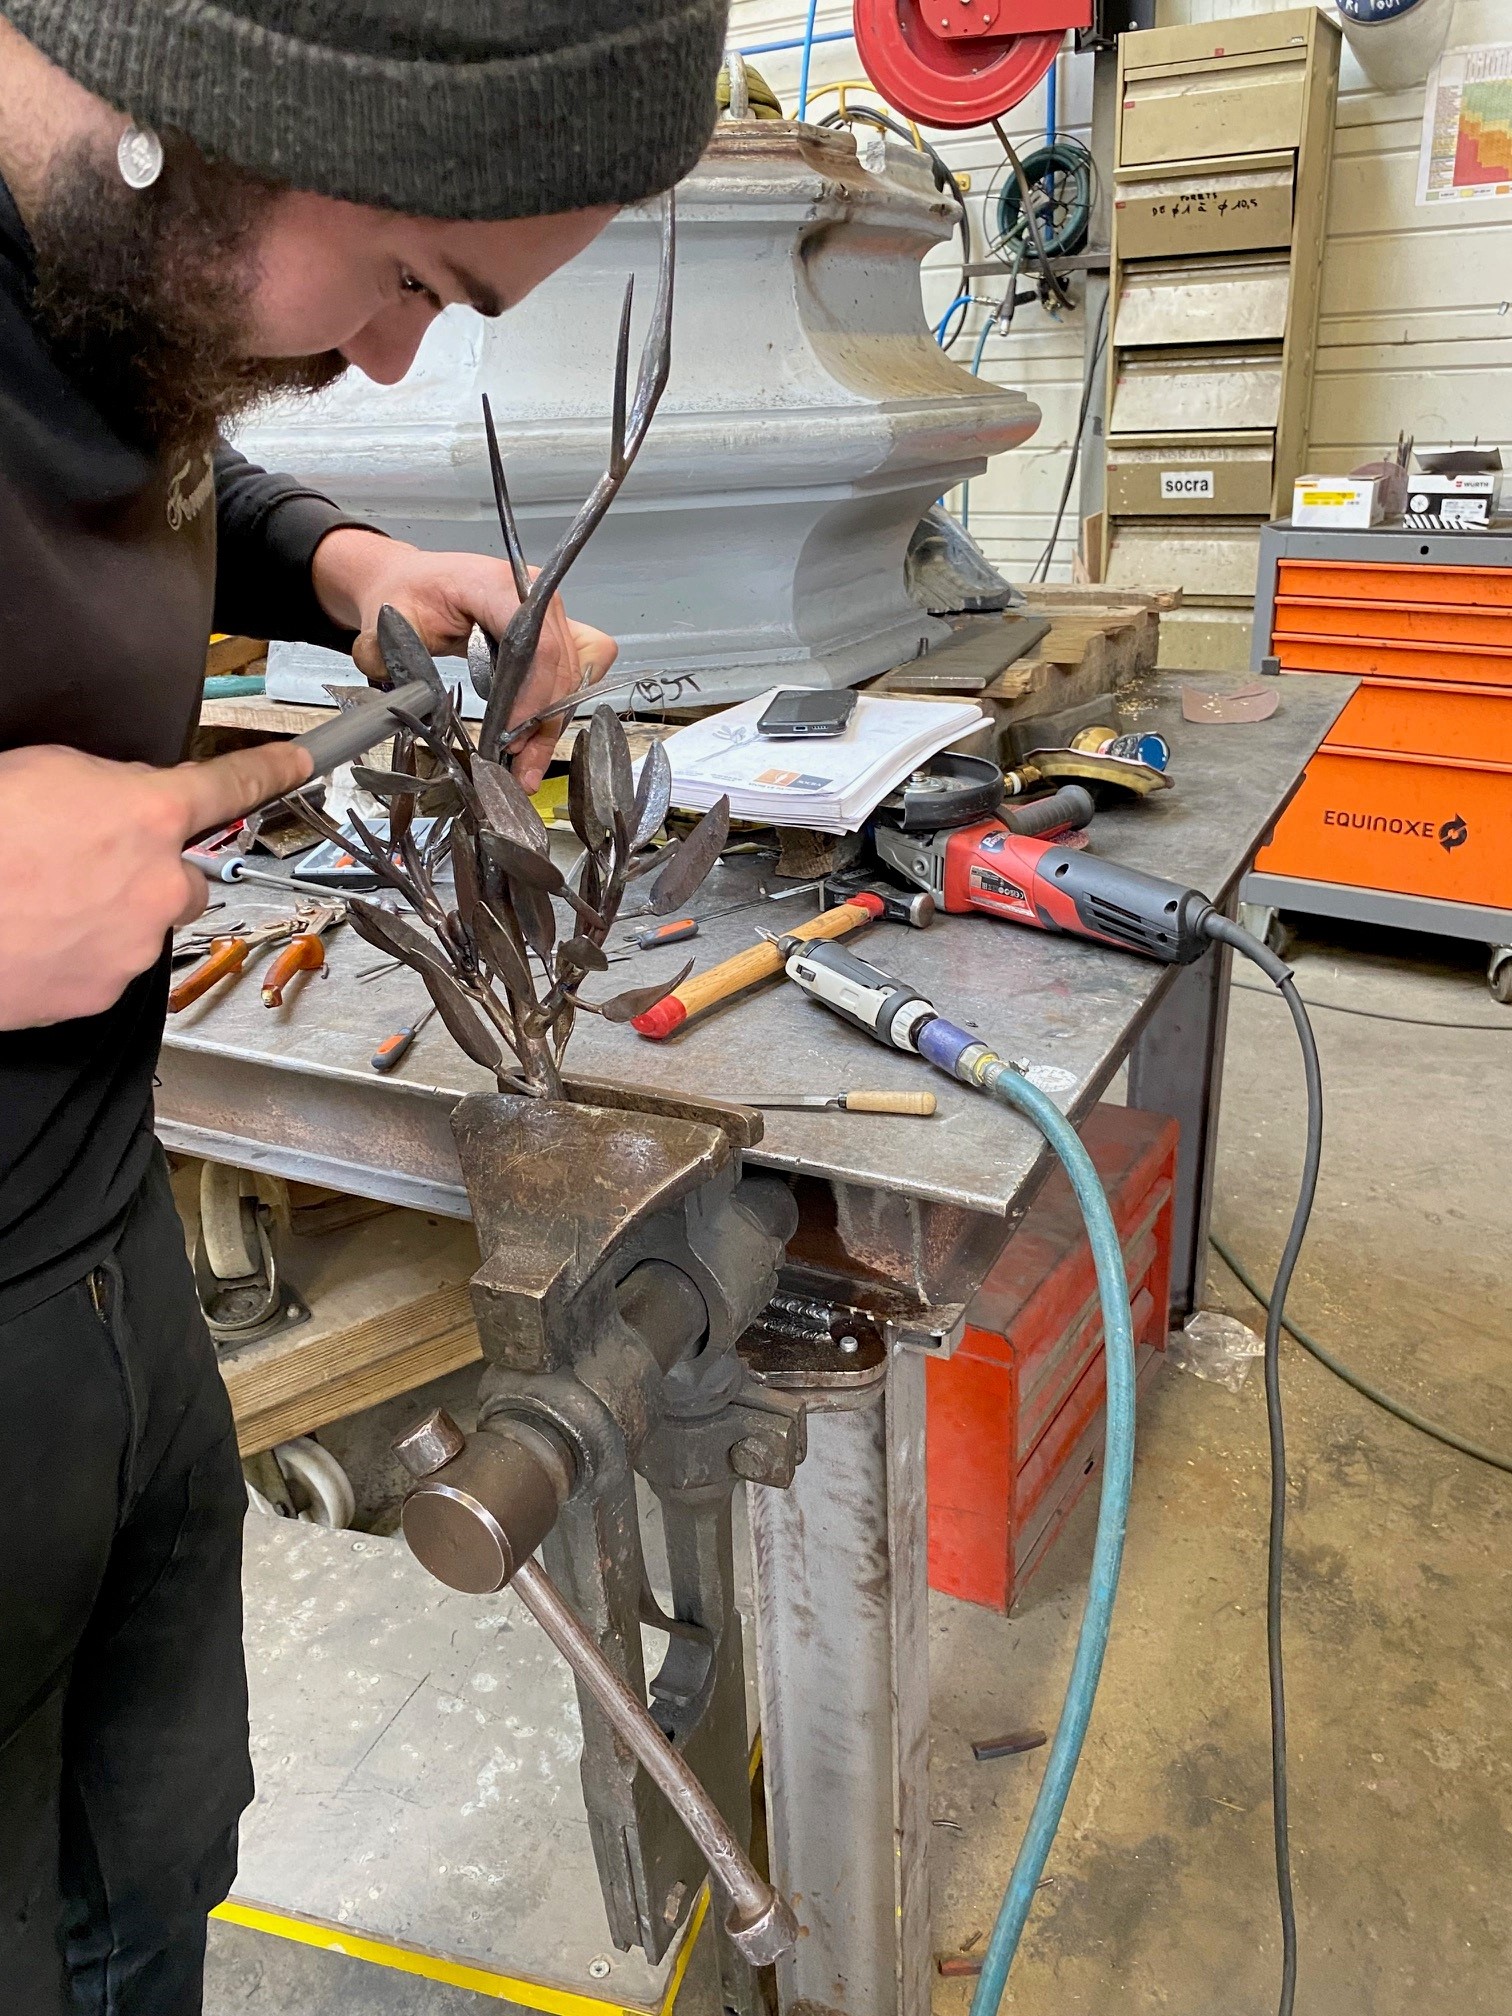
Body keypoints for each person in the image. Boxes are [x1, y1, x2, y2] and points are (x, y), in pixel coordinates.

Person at [0, 0, 726, 2006]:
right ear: (207, 102)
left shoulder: (93, 256)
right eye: (413, 275)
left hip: (101, 1265)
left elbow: (131, 448)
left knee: (152, 1876)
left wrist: (336, 560)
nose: (398, 356)